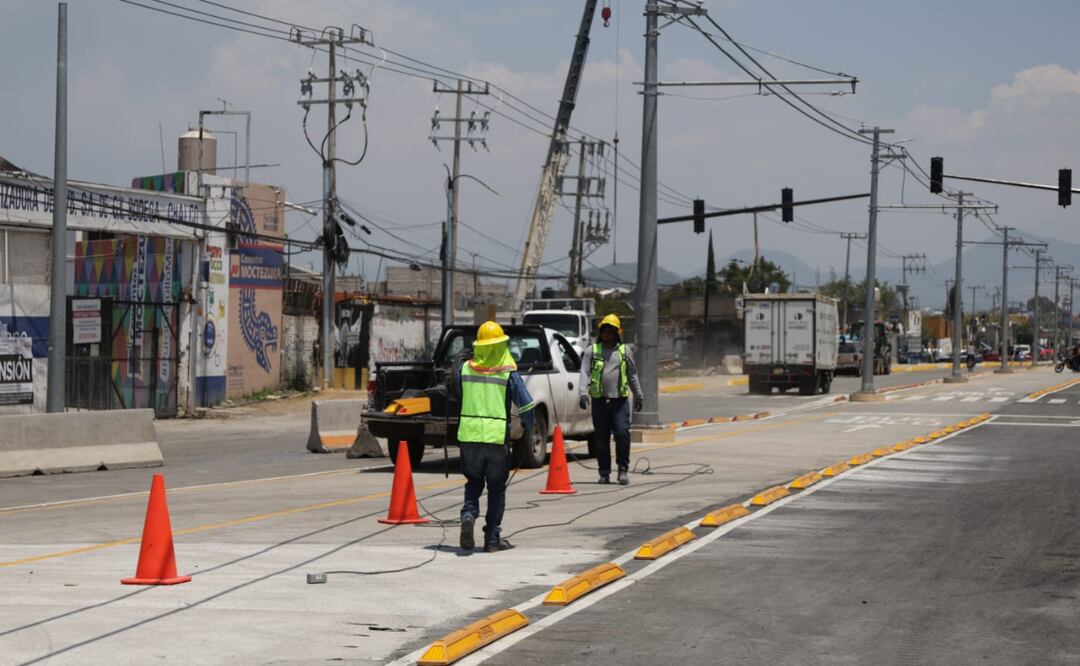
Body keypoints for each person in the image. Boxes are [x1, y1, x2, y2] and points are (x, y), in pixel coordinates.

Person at [451, 321, 535, 553]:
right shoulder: (509, 374)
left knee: (474, 482)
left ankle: (468, 515)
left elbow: (455, 391)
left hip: (469, 436)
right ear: (501, 346)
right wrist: (529, 428)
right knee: (496, 489)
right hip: (496, 439)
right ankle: (492, 539)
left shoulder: (464, 370)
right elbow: (527, 405)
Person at [578, 314, 643, 485]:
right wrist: (582, 393)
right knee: (601, 439)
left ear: (616, 333)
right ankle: (604, 472)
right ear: (601, 332)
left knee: (622, 434)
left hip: (619, 402)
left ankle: (623, 469)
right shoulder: (592, 351)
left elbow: (632, 374)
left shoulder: (624, 351)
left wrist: (638, 395)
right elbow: (584, 372)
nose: (607, 334)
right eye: (604, 331)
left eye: (611, 331)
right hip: (600, 402)